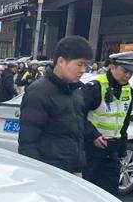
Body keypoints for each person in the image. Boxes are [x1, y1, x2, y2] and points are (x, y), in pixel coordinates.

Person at [18, 36, 93, 176]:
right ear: (61, 61)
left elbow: (77, 134)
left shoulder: (76, 92)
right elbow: (28, 142)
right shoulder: (38, 92)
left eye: (86, 65)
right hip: (48, 174)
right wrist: (36, 175)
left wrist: (78, 168)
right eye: (79, 64)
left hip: (72, 172)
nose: (83, 70)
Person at [81, 52, 133, 196]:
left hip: (112, 150)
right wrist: (93, 135)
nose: (128, 75)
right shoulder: (95, 87)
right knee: (85, 194)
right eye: (124, 71)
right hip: (90, 150)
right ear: (112, 67)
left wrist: (122, 150)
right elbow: (76, 115)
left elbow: (124, 123)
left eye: (131, 72)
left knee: (110, 195)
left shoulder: (128, 90)